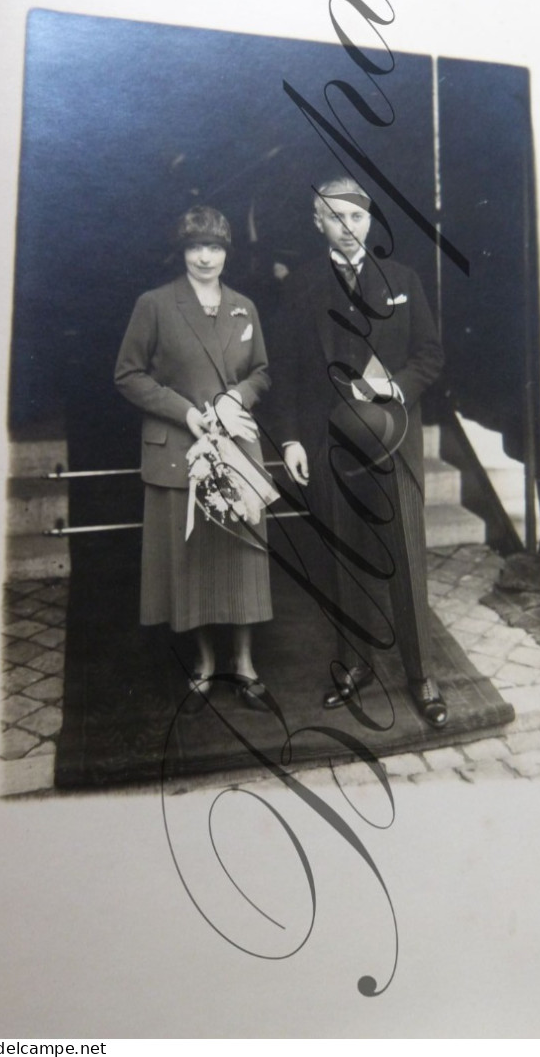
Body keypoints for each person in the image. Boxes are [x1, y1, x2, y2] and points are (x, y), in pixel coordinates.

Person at [273, 177, 449, 727]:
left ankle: (421, 675)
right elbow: (289, 372)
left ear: (369, 221)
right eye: (334, 218)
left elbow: (430, 354)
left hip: (394, 436)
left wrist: (394, 386)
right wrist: (293, 439)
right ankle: (356, 664)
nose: (347, 228)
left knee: (404, 552)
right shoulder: (301, 287)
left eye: (355, 217)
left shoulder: (402, 279)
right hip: (331, 439)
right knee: (344, 552)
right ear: (317, 222)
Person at [115, 206, 273, 712]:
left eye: (215, 247)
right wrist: (184, 412)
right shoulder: (155, 304)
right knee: (193, 561)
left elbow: (262, 372)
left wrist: (237, 397)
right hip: (182, 450)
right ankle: (205, 661)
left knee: (242, 556)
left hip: (237, 446)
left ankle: (245, 664)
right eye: (195, 247)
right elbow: (128, 374)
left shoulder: (244, 307)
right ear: (182, 251)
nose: (205, 257)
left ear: (228, 252)